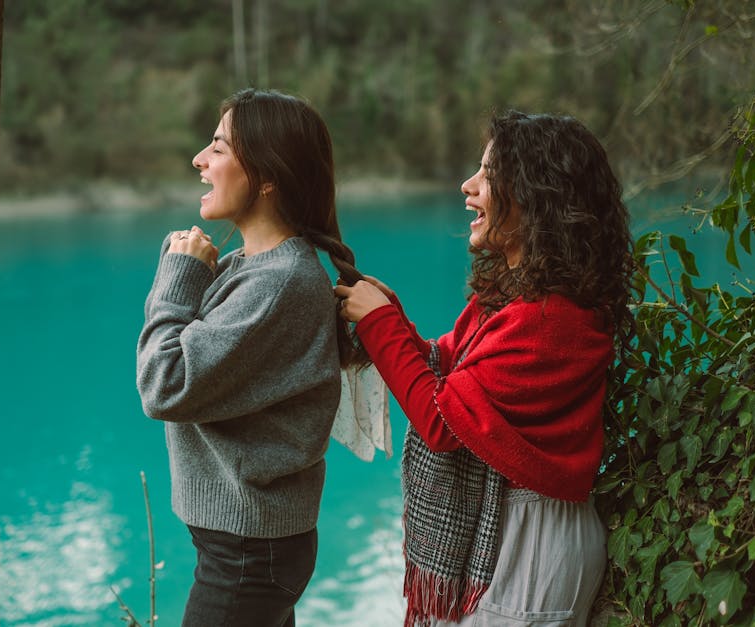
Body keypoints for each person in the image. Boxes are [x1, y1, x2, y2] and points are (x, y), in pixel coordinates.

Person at [334, 110, 635, 626]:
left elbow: (443, 419)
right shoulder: (512, 301)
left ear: (538, 197)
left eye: (488, 175)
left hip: (532, 544)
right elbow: (450, 370)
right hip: (512, 527)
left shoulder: (553, 319)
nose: (467, 187)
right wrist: (393, 320)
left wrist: (382, 326)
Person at [136, 88, 364, 627]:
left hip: (247, 552)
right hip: (245, 546)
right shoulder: (250, 269)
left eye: (217, 146)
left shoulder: (280, 283)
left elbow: (164, 383)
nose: (199, 159)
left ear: (267, 176)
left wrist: (177, 277)